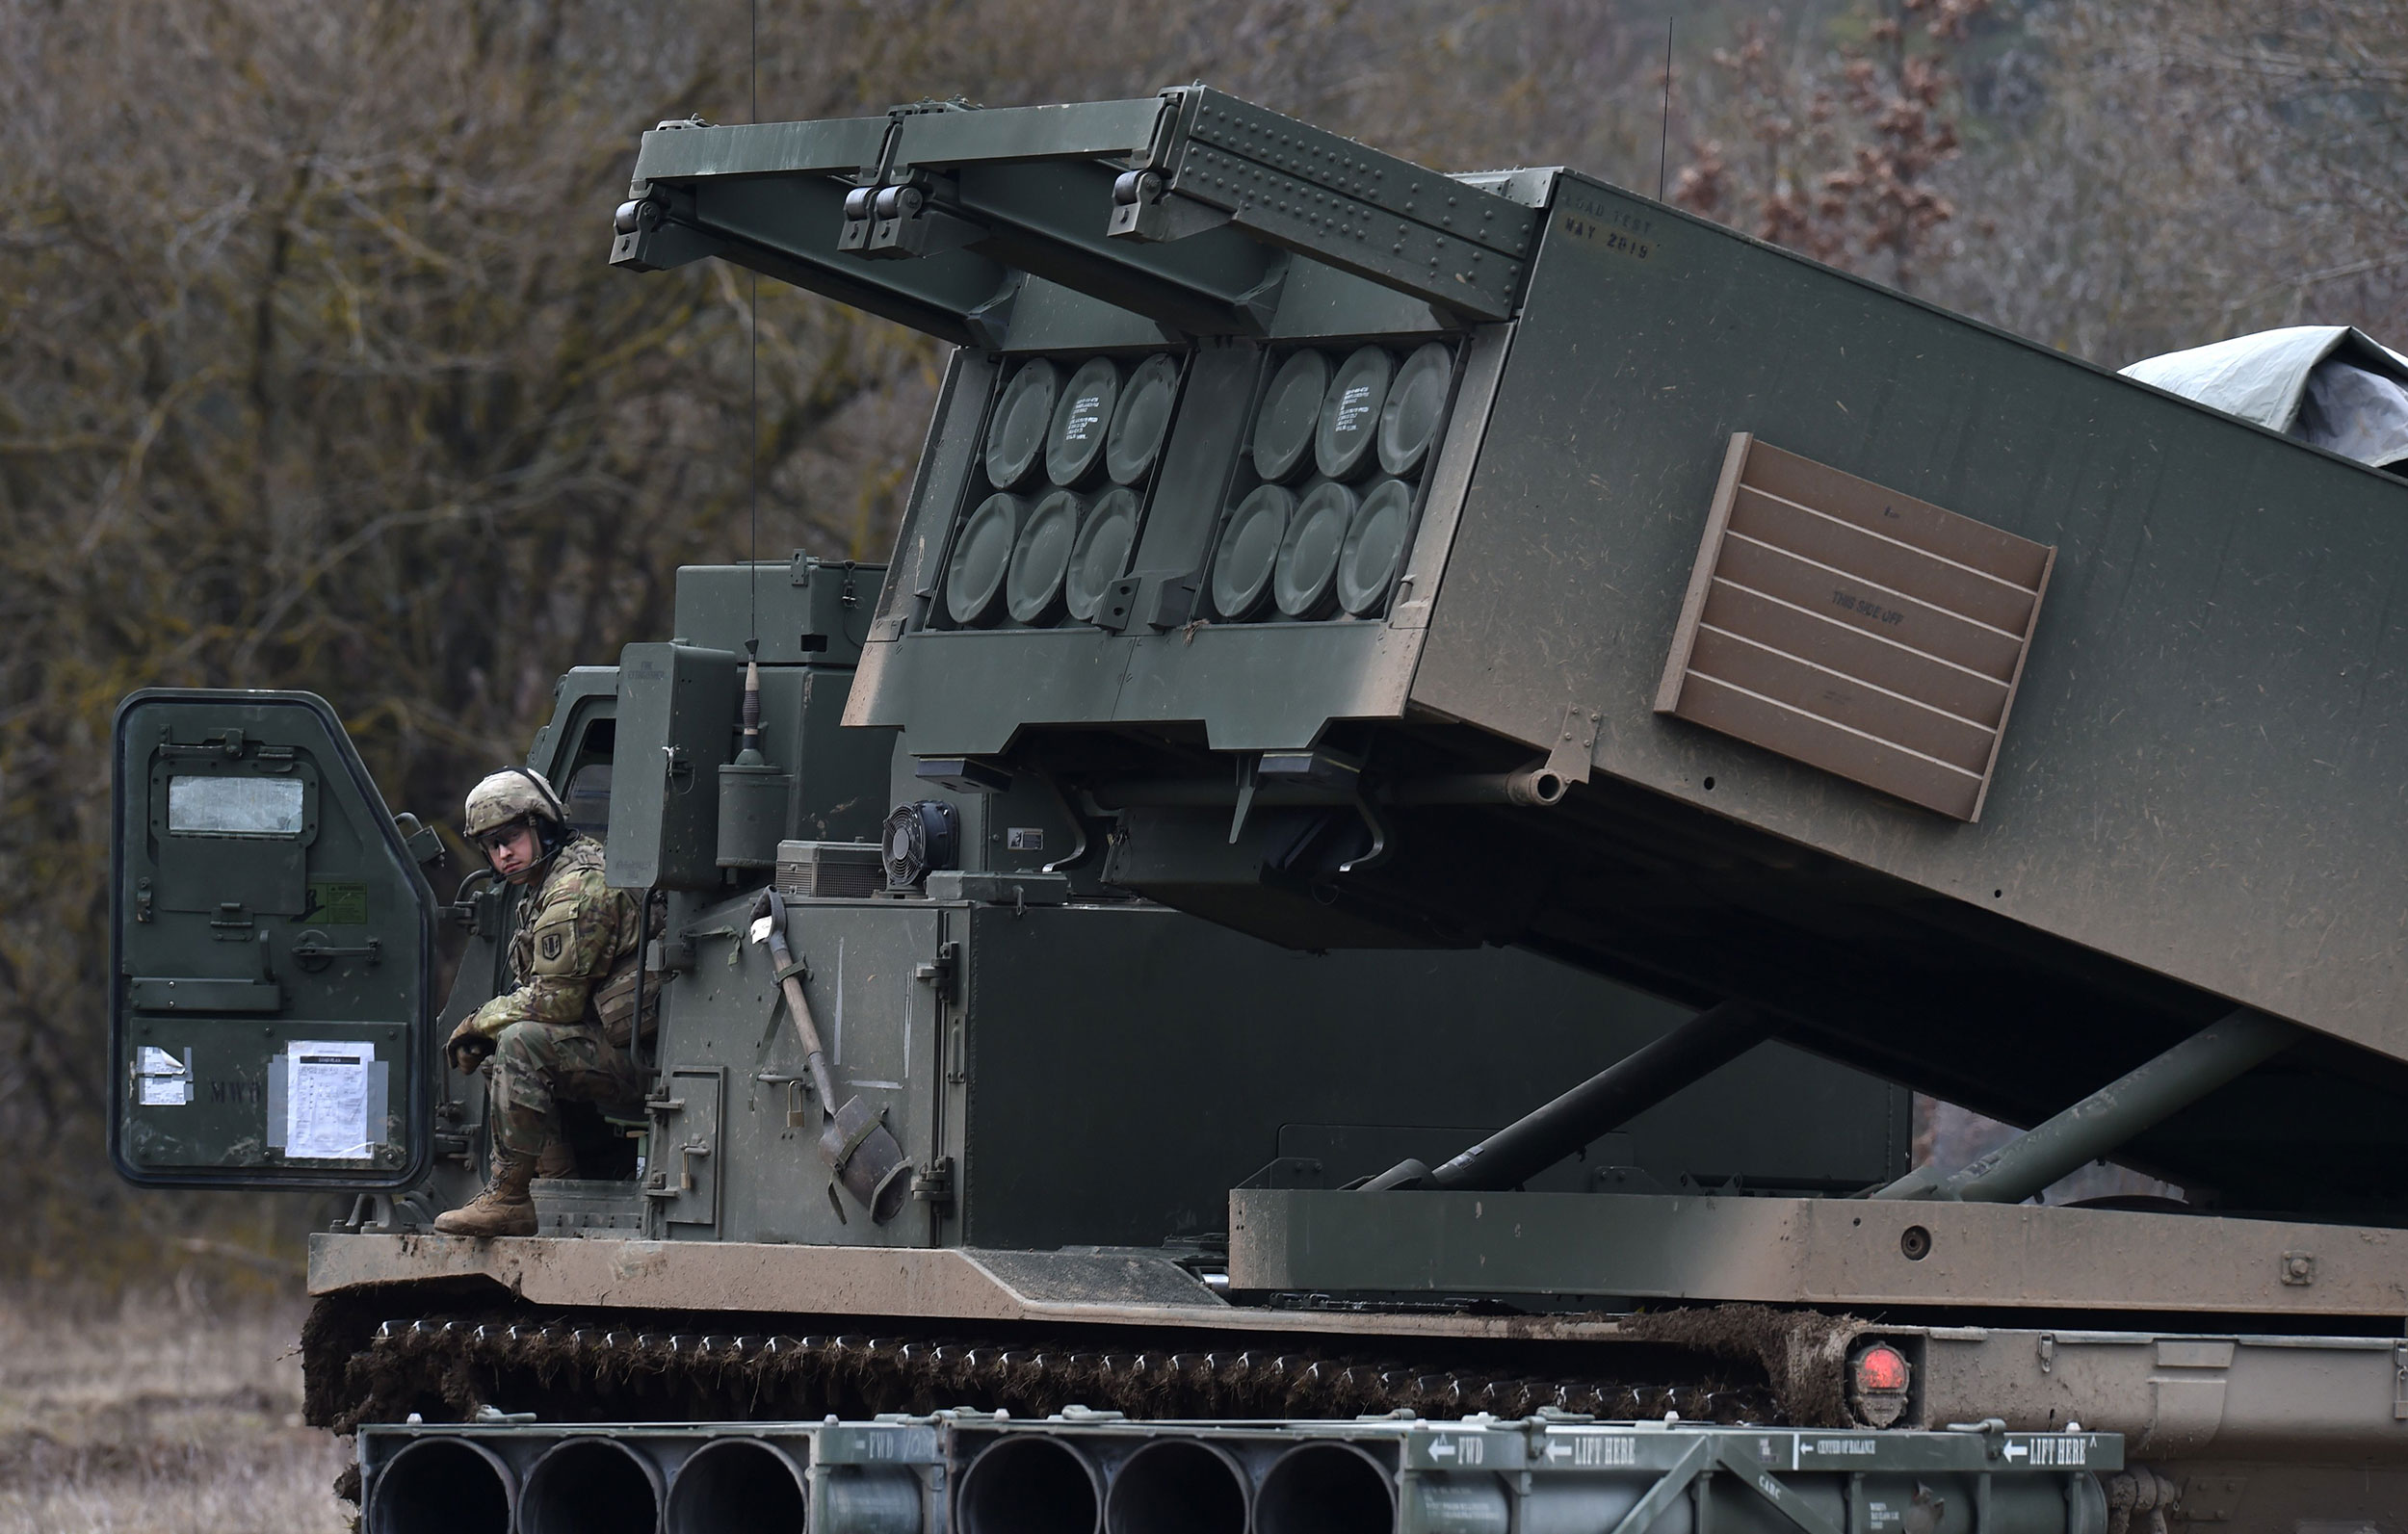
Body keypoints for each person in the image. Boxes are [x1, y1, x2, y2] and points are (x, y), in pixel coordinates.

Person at [432, 767, 647, 1238]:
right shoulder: (543, 887)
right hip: (611, 1044)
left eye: (511, 837)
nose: (504, 853)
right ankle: (554, 1183)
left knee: (521, 1044)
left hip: (643, 1060)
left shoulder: (578, 887)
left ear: (542, 827)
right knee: (503, 1051)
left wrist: (477, 1023)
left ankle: (509, 1198)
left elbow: (556, 1005)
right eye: (492, 846)